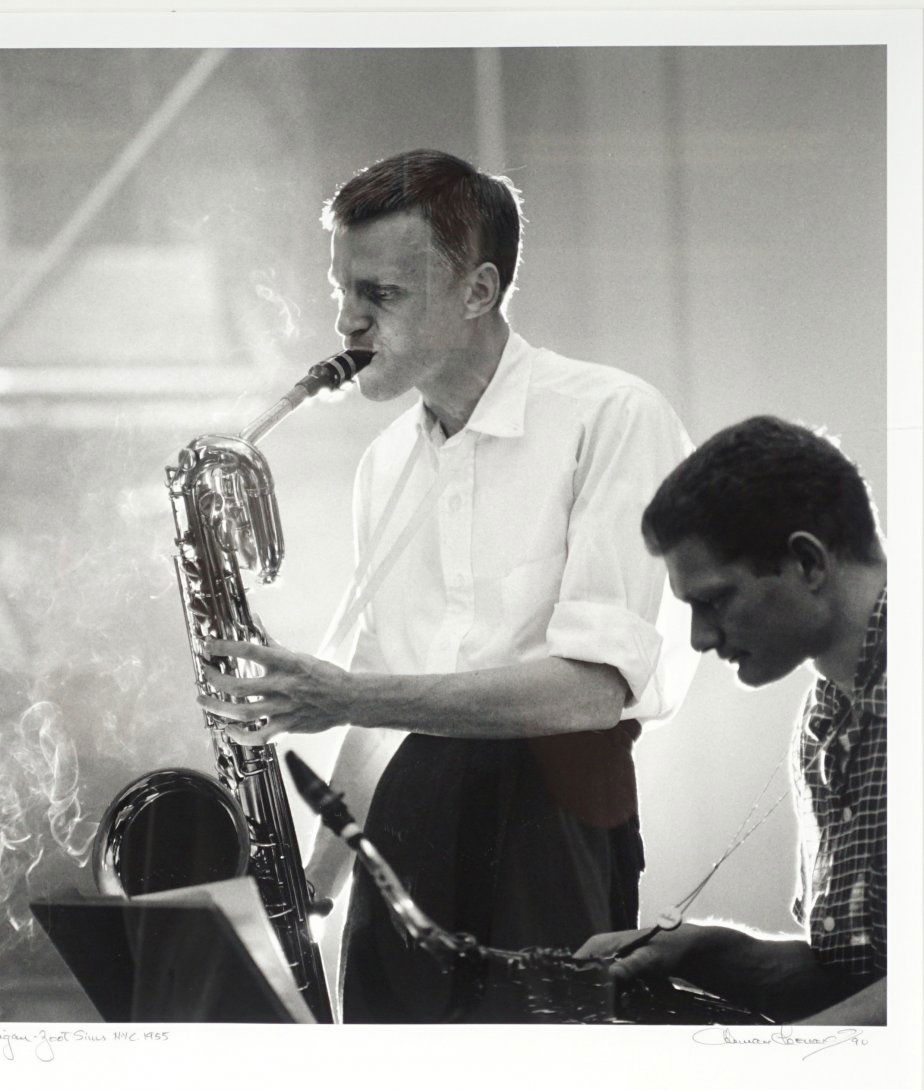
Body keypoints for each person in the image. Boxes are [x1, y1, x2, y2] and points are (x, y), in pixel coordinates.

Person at [197, 149, 696, 1022]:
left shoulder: (613, 415)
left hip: (556, 810)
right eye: (340, 292)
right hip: (407, 820)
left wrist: (349, 694)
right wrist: (314, 888)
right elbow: (379, 699)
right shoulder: (385, 462)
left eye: (379, 295)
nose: (347, 323)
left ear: (477, 291)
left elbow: (589, 693)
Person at [577, 415, 887, 1026]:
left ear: (807, 562)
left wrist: (772, 1063)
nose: (698, 638)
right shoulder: (823, 717)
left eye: (714, 600)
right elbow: (871, 975)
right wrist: (712, 955)